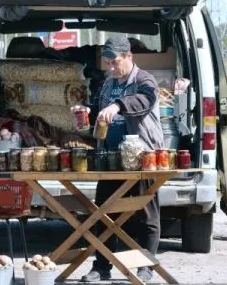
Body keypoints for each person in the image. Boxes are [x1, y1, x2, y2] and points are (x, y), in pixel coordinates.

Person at [76, 35, 164, 282]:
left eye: (115, 62)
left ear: (129, 57)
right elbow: (97, 110)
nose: (111, 67)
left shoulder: (145, 80)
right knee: (103, 213)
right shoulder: (107, 84)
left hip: (143, 157)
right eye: (108, 63)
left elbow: (144, 100)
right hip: (111, 158)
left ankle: (145, 267)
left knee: (146, 215)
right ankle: (101, 266)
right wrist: (86, 112)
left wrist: (117, 105)